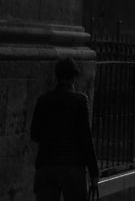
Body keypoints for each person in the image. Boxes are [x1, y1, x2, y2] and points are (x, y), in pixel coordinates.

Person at [30, 58, 100, 201]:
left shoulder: (43, 101)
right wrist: (94, 172)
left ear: (57, 77)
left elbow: (35, 134)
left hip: (46, 166)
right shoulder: (80, 101)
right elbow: (86, 139)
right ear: (74, 78)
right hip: (72, 168)